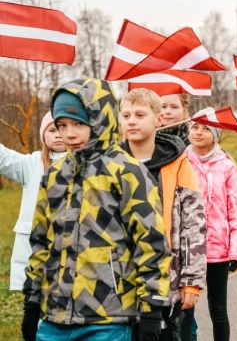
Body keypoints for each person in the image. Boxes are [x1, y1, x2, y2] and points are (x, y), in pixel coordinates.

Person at [22, 79, 171, 341]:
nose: (69, 134)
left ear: (100, 119)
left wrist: (152, 310)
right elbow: (40, 242)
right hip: (54, 316)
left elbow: (151, 243)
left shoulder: (128, 172)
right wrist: (32, 300)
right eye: (62, 125)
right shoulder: (55, 176)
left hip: (108, 316)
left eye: (79, 123)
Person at [120, 88, 207, 341]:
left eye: (139, 114)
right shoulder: (112, 163)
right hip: (122, 280)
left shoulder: (178, 163)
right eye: (126, 115)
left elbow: (194, 224)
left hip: (168, 278)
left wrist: (191, 281)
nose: (132, 120)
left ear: (158, 119)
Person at [186, 108, 237, 341]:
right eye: (195, 127)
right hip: (186, 250)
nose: (199, 132)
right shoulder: (180, 162)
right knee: (184, 310)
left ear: (216, 134)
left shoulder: (226, 166)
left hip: (218, 250)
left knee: (218, 310)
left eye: (206, 128)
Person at [1, 112, 66, 292]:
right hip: (35, 249)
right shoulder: (31, 164)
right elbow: (4, 158)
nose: (59, 134)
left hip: (68, 248)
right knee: (36, 302)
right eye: (52, 130)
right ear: (43, 135)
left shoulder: (85, 164)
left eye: (63, 128)